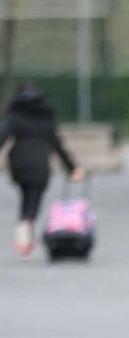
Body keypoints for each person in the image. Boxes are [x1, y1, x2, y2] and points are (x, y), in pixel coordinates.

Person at [0, 82, 84, 258]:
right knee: (34, 199)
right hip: (39, 163)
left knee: (25, 196)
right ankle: (26, 225)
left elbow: (2, 137)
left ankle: (24, 229)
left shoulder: (15, 116)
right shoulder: (46, 118)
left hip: (18, 162)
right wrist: (72, 168)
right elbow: (57, 146)